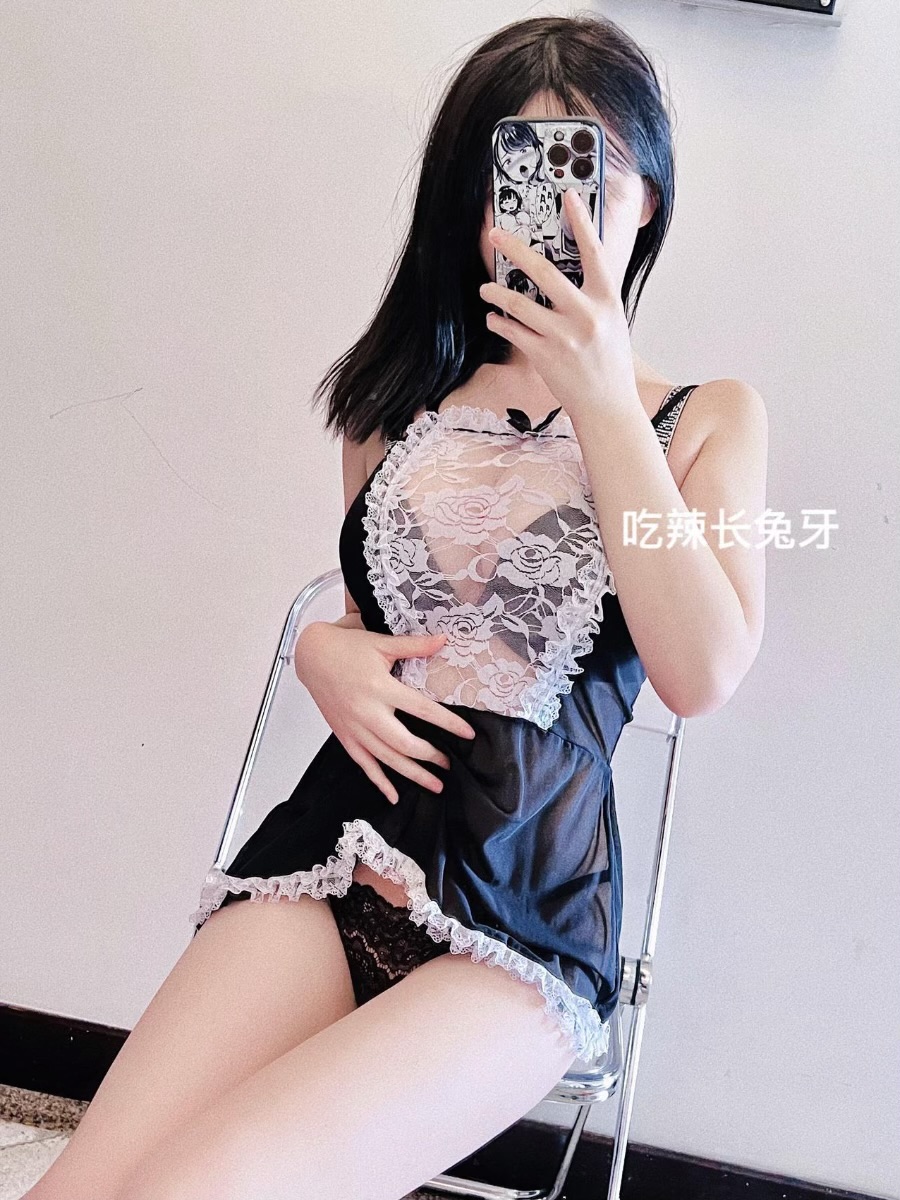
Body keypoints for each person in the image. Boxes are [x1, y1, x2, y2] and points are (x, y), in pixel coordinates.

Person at [26, 14, 767, 1200]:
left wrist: (600, 398)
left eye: (590, 171)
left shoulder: (707, 417)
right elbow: (381, 630)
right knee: (78, 1189)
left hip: (520, 927)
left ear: (648, 200)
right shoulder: (397, 403)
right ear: (470, 202)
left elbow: (703, 669)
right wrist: (323, 654)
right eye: (518, 174)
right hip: (335, 858)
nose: (556, 211)